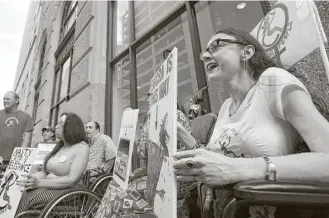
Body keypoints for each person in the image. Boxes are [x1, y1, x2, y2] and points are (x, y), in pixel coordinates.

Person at [174, 27, 329, 218]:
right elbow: (221, 160)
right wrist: (183, 137)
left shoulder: (272, 81)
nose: (205, 56)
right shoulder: (226, 107)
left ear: (246, 52)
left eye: (216, 45)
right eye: (204, 52)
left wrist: (235, 170)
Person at [15, 112, 89, 215]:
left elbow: (71, 180)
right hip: (48, 186)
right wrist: (25, 179)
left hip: (69, 190)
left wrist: (39, 183)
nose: (56, 127)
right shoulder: (60, 146)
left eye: (60, 123)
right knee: (18, 191)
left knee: (26, 197)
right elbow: (45, 172)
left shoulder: (82, 147)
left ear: (70, 127)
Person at [0, 91, 33, 162]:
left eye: (8, 99)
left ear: (17, 101)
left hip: (15, 160)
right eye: (4, 99)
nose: (5, 101)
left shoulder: (26, 117)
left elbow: (26, 140)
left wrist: (19, 159)